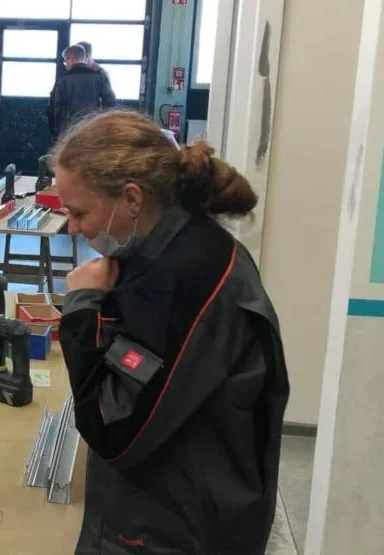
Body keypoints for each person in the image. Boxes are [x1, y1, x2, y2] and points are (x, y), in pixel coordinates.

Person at [52, 111, 289, 554]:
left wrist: (82, 308)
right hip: (171, 505)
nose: (74, 228)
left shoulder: (182, 278)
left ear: (132, 198)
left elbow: (112, 430)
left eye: (79, 212)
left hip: (173, 528)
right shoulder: (175, 246)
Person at [47, 44, 117, 140]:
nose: (65, 64)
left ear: (70, 59)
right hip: (93, 128)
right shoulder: (99, 77)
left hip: (69, 130)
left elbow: (56, 107)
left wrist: (56, 131)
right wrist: (102, 122)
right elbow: (110, 101)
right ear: (84, 58)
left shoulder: (63, 80)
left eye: (65, 61)